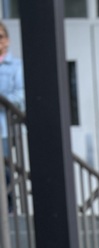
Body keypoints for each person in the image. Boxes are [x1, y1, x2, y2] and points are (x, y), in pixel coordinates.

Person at [0, 21, 24, 213]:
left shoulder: (16, 66)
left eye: (0, 36)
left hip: (4, 128)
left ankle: (8, 207)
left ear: (7, 40)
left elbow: (21, 95)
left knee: (4, 168)